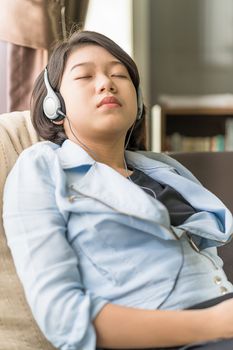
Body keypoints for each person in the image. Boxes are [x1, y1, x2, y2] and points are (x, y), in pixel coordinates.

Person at [2, 30, 233, 350]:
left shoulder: (164, 169)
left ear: (137, 102)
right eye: (84, 76)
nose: (106, 83)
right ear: (54, 105)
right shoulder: (41, 168)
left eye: (119, 74)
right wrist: (215, 324)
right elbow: (64, 319)